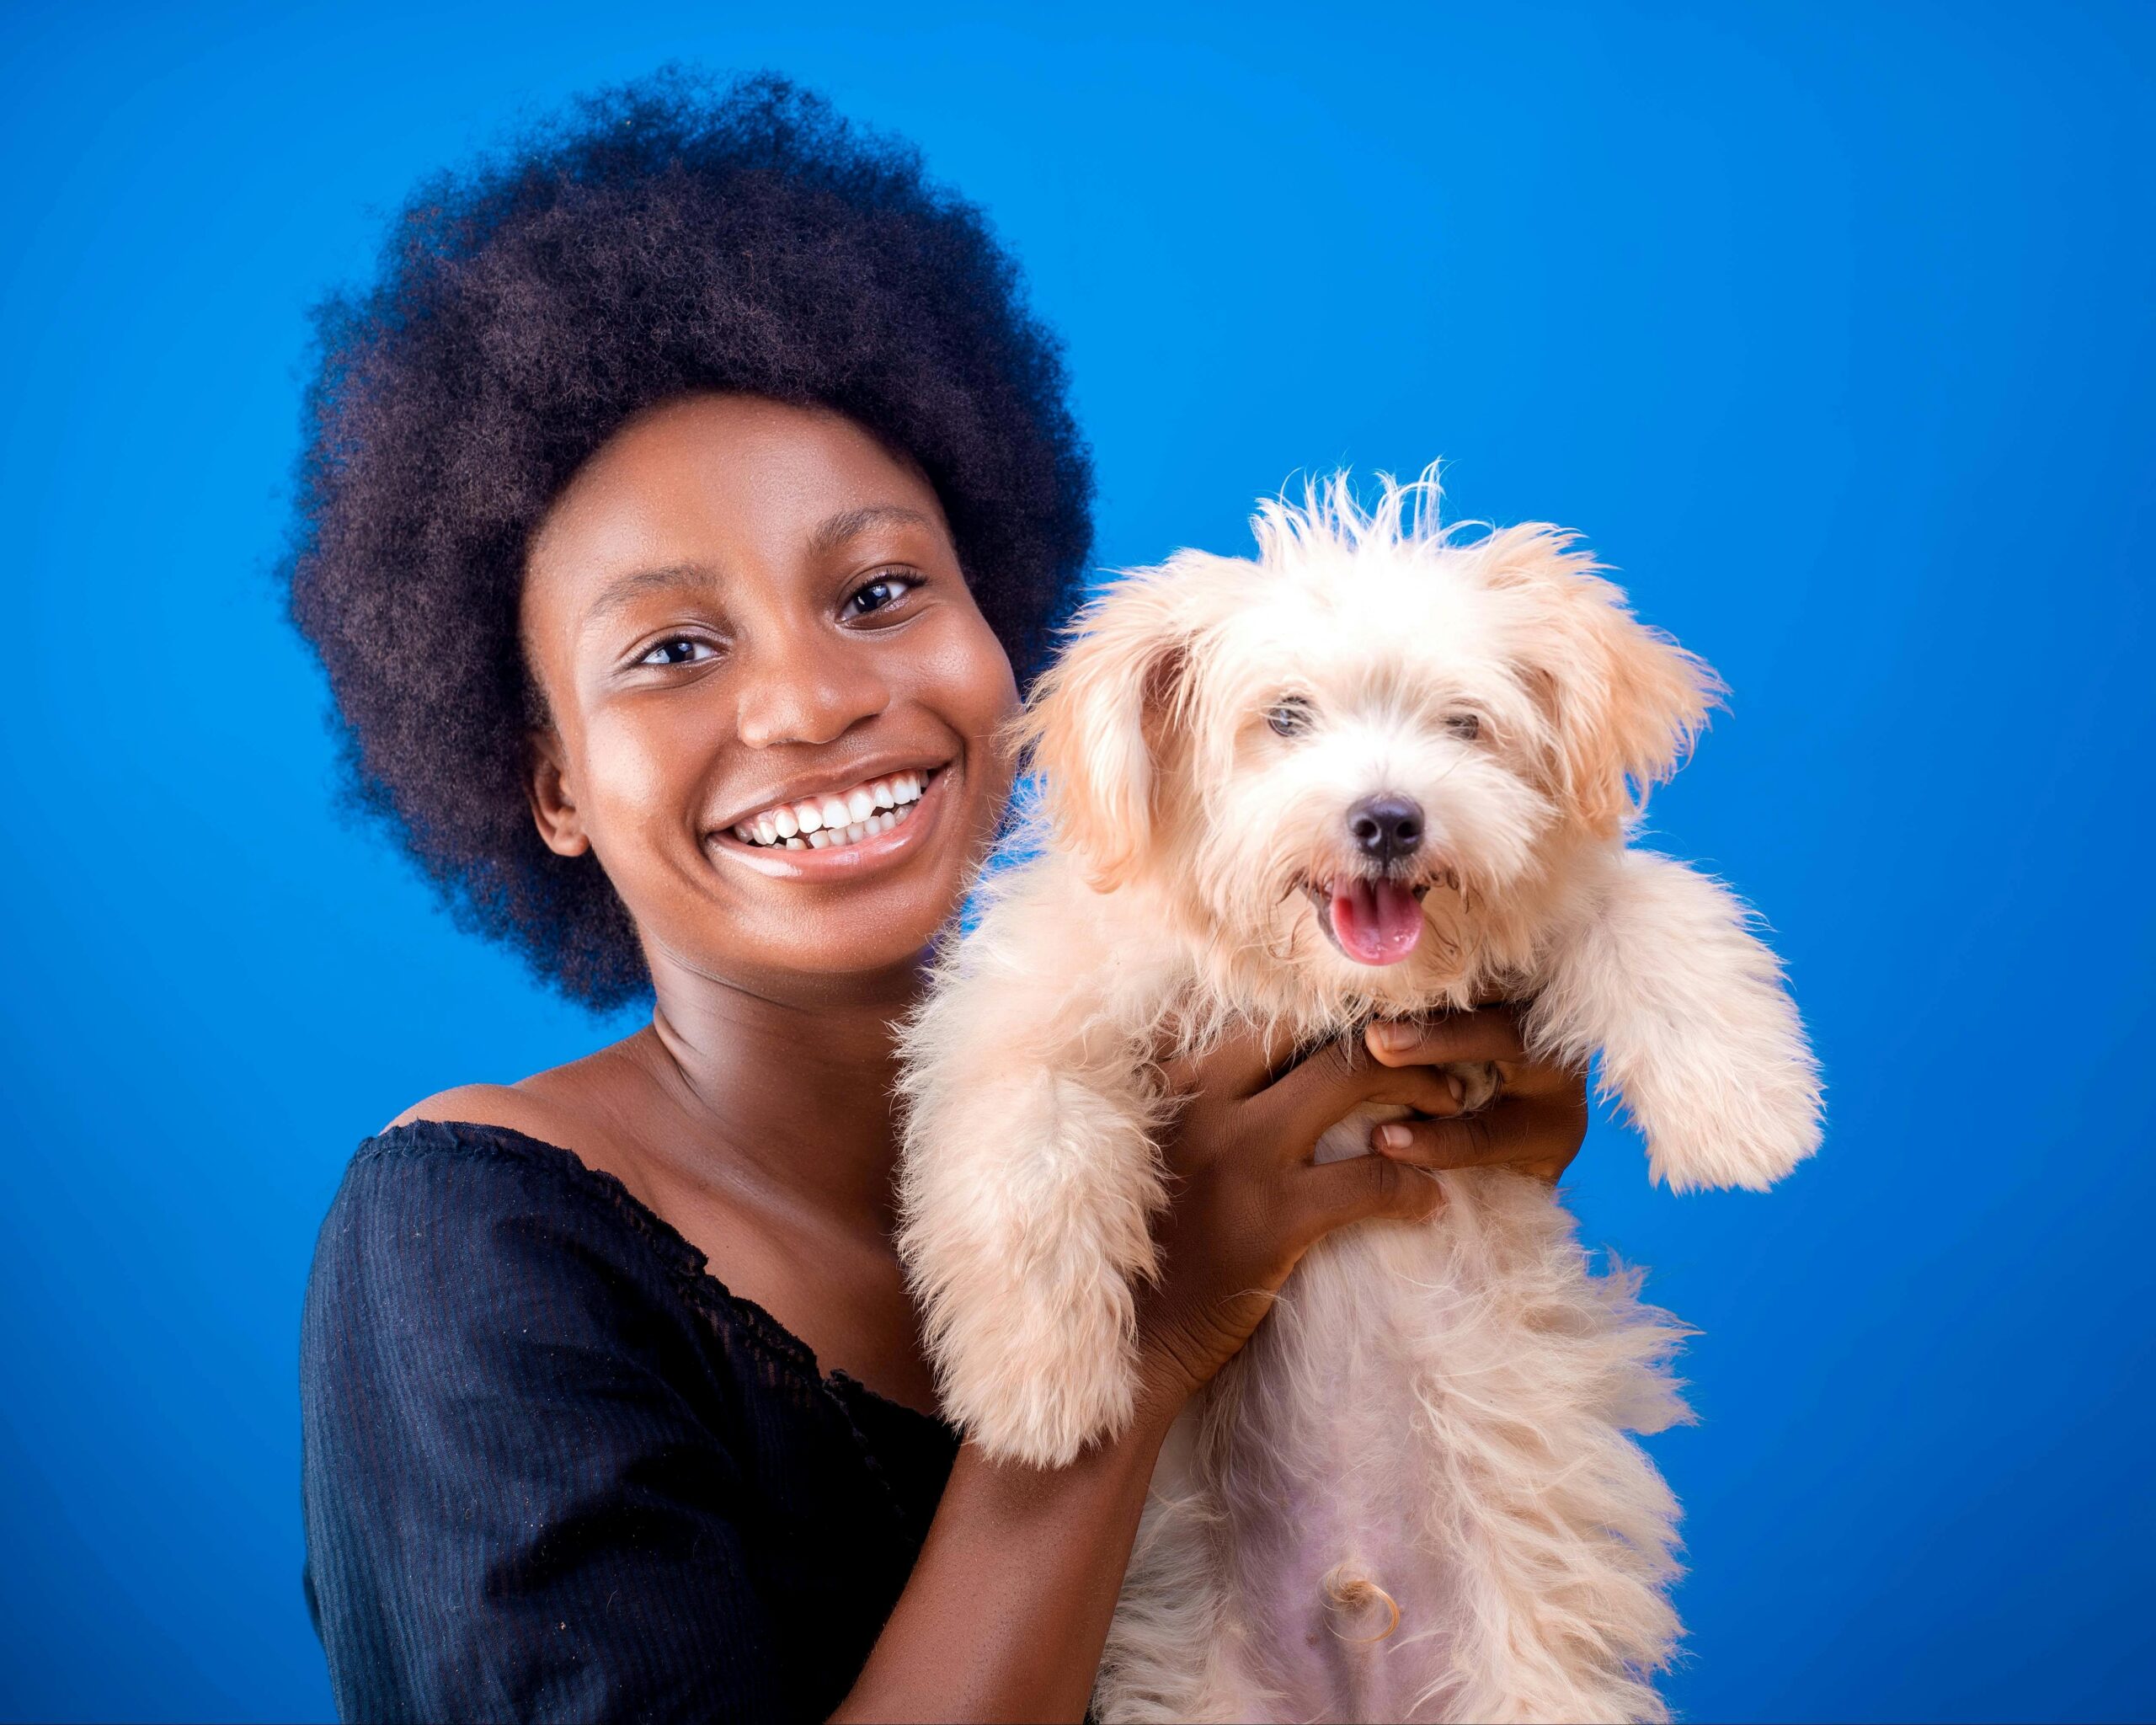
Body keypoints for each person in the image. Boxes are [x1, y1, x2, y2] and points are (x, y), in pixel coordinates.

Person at [291, 70, 1591, 1723]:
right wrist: (1129, 1336)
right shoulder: (474, 1248)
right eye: (672, 649)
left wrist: (1436, 1149)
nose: (810, 701)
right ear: (546, 779)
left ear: (1004, 628)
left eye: (882, 588)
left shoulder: (1201, 1098)